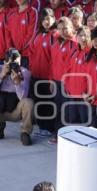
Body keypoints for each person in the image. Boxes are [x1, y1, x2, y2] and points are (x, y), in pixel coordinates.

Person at [0, 48, 33, 146]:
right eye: (10, 63)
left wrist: (17, 83)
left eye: (16, 63)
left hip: (15, 110)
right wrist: (1, 76)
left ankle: (25, 132)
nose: (13, 66)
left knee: (28, 102)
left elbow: (23, 97)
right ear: (4, 62)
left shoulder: (24, 72)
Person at [28, 8, 57, 137]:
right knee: (38, 102)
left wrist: (51, 79)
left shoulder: (55, 35)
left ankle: (48, 128)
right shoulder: (37, 35)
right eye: (44, 19)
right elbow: (31, 53)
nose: (46, 21)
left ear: (54, 19)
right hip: (35, 75)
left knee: (47, 103)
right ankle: (41, 127)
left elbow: (54, 59)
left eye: (49, 18)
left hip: (47, 77)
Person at [49, 17, 77, 144]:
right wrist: (51, 80)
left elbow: (73, 66)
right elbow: (52, 63)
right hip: (56, 81)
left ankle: (66, 136)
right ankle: (57, 133)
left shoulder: (74, 44)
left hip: (67, 83)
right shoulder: (55, 44)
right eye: (60, 29)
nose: (63, 31)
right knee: (58, 109)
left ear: (72, 28)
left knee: (67, 110)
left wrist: (69, 83)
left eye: (65, 28)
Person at [64, 26, 91, 125]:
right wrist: (67, 86)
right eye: (80, 35)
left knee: (85, 123)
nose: (83, 38)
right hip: (73, 94)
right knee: (73, 122)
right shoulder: (74, 51)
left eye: (85, 35)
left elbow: (91, 75)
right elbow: (68, 69)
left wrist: (88, 91)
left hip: (84, 96)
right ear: (76, 37)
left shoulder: (90, 53)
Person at [5, 0, 38, 67]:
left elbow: (31, 35)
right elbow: (7, 31)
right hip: (12, 53)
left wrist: (17, 49)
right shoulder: (11, 12)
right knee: (12, 76)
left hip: (26, 55)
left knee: (24, 76)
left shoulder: (32, 12)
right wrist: (10, 47)